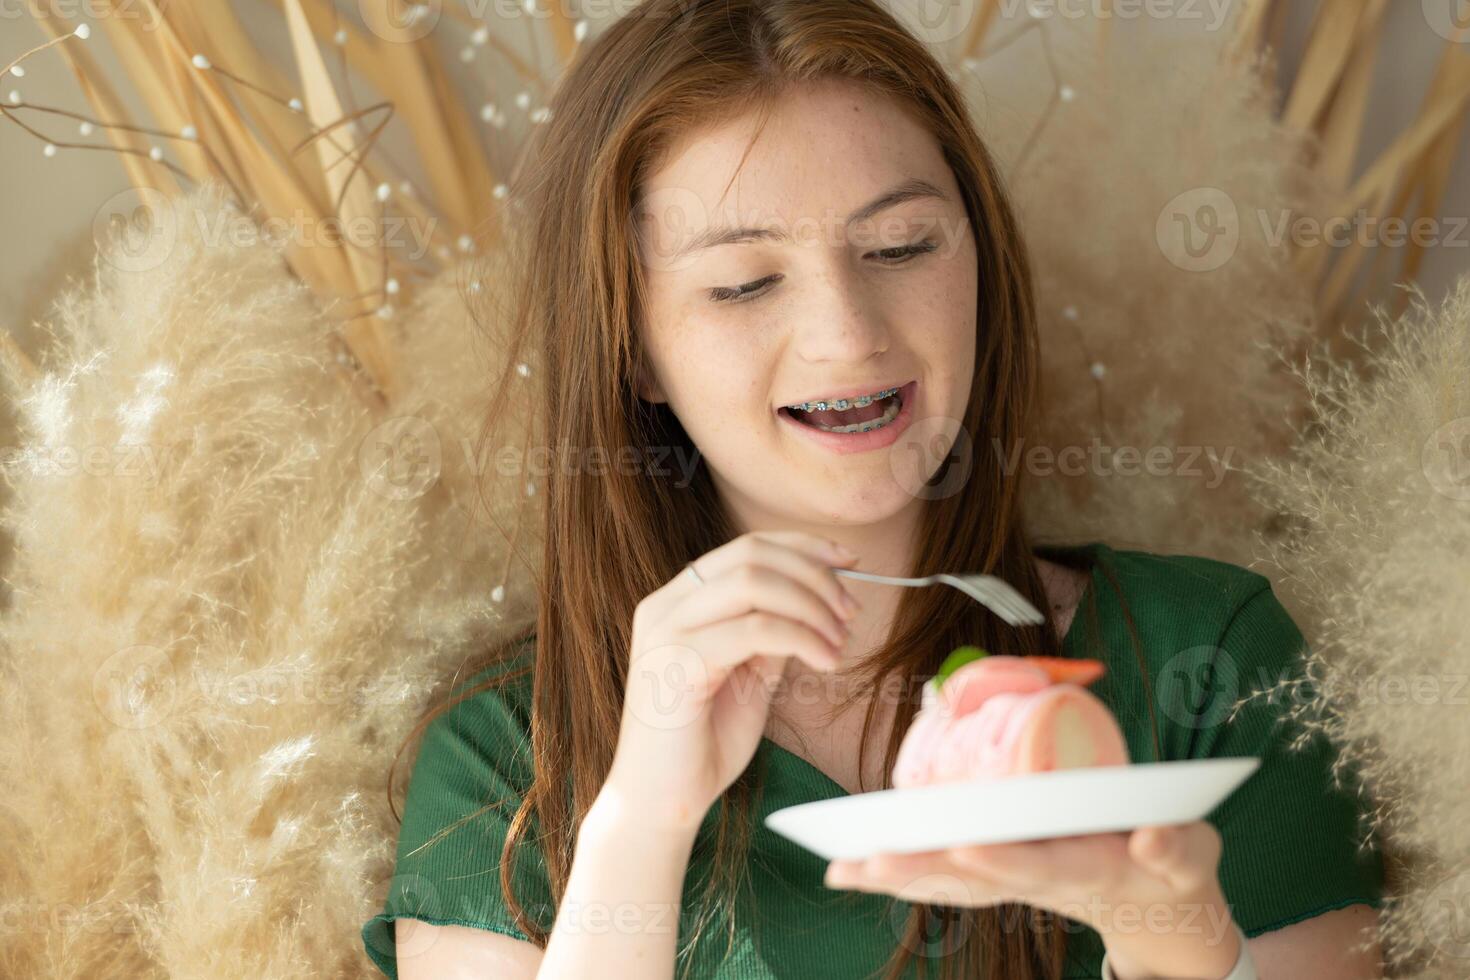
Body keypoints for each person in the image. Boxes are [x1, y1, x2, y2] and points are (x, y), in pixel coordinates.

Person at [360, 2, 1386, 978]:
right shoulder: (505, 758)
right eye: (744, 283)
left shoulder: (1208, 659)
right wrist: (641, 822)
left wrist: (1178, 931)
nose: (849, 333)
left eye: (900, 247)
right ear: (634, 352)